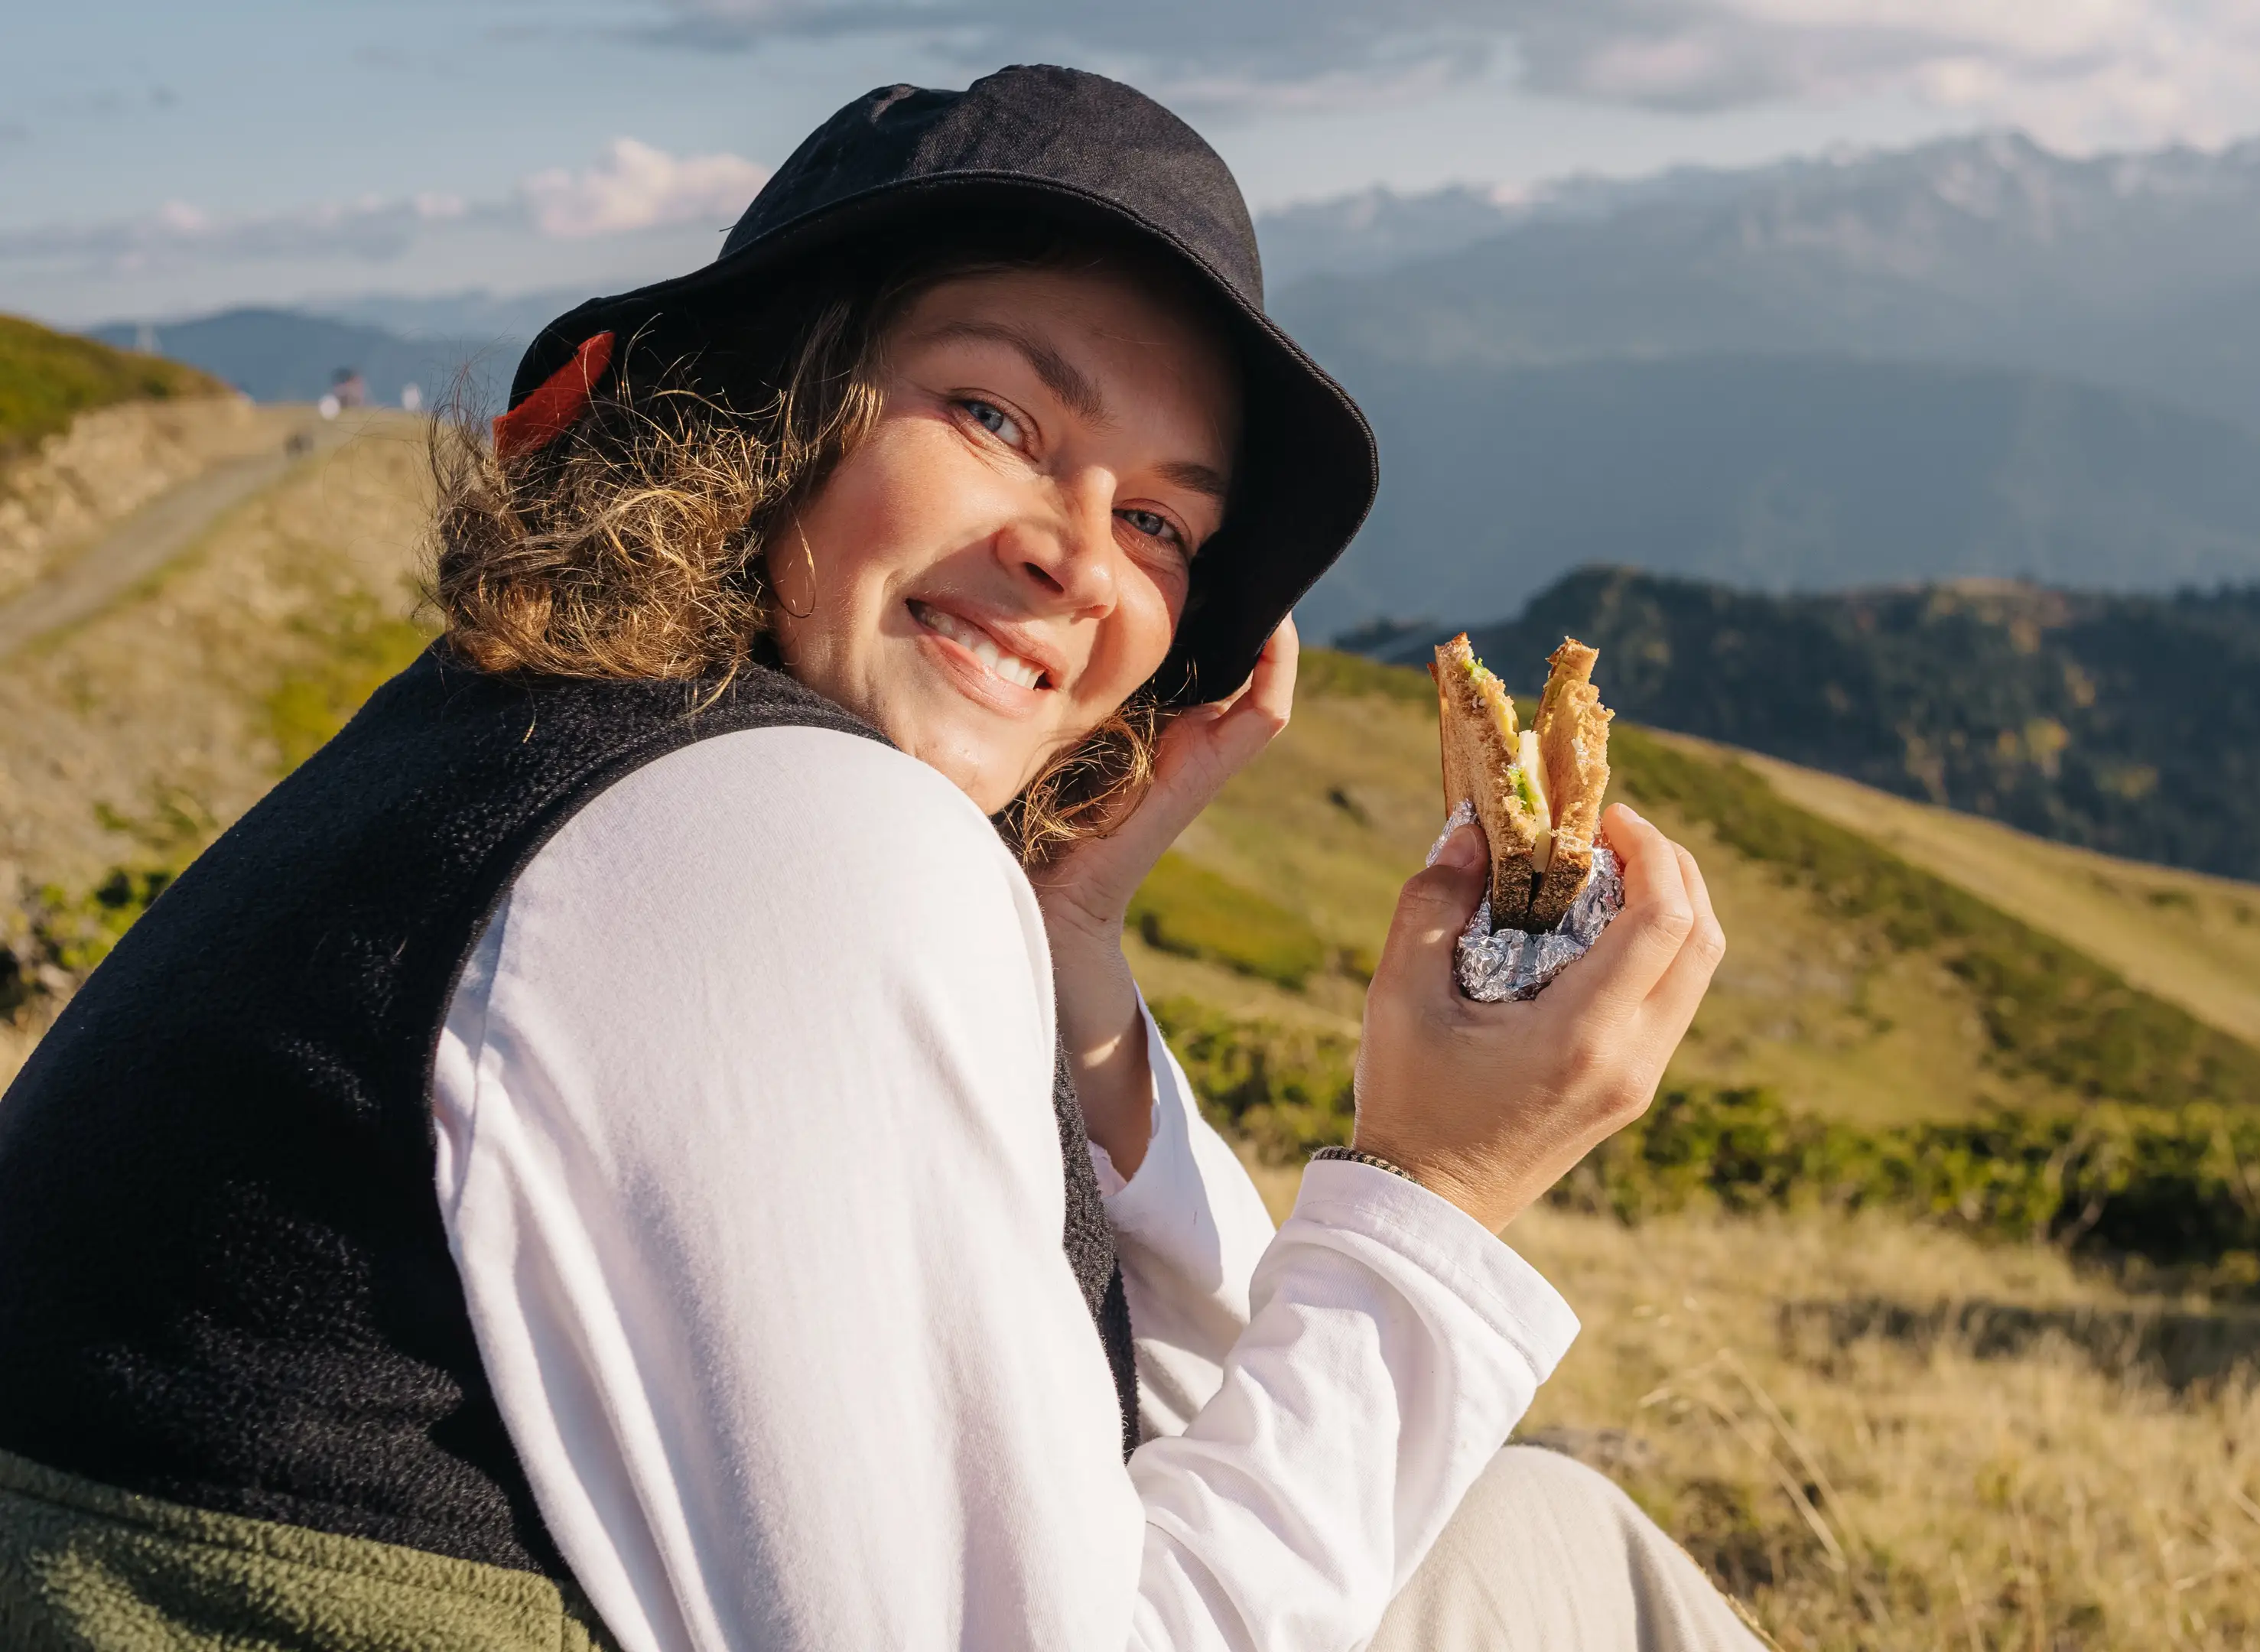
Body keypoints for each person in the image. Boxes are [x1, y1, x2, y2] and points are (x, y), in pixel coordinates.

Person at [0, 67, 1751, 1652]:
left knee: (1537, 1532)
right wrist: (1435, 1198)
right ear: (782, 406)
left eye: (1160, 522)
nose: (1080, 557)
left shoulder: (536, 746)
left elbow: (1155, 1448)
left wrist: (1070, 951)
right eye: (999, 418)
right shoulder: (772, 841)